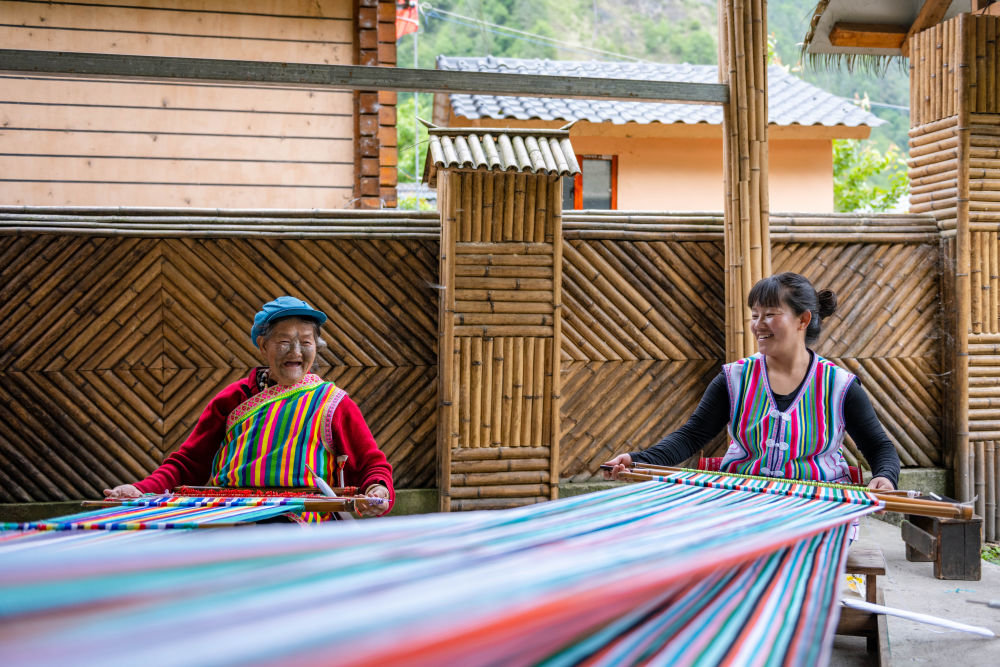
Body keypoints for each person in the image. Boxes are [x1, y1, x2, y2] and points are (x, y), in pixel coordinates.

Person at [603, 273, 900, 492]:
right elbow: (691, 437)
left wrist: (884, 477)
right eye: (755, 315)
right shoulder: (734, 379)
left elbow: (879, 447)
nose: (758, 324)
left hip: (817, 505)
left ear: (803, 320)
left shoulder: (839, 385)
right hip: (742, 498)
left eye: (770, 314)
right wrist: (638, 460)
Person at [104, 296, 394, 518]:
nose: (295, 352)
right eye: (284, 342)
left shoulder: (332, 404)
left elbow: (372, 465)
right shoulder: (233, 399)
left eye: (306, 342)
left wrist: (377, 490)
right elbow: (188, 463)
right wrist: (141, 489)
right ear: (262, 346)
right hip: (233, 517)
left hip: (304, 525)